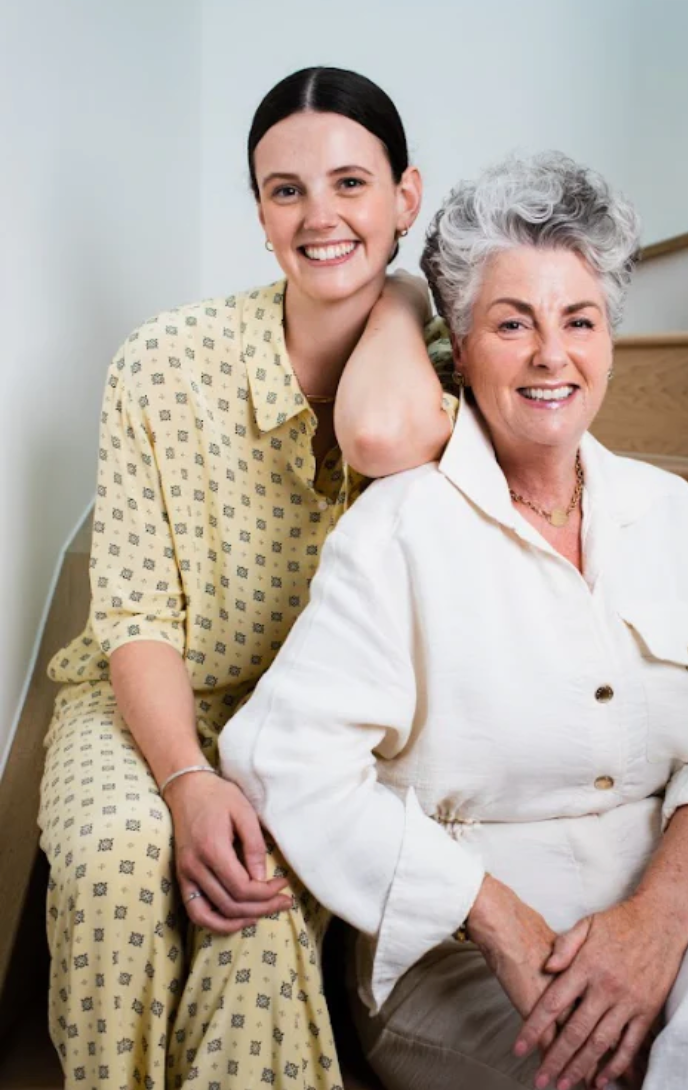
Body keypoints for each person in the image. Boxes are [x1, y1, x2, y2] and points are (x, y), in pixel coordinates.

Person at [220, 151, 688, 1090]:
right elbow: (285, 762)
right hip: (463, 951)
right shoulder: (397, 531)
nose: (553, 355)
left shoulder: (668, 511)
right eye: (514, 323)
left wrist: (659, 918)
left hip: (675, 905)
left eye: (579, 320)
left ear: (609, 338)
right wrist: (496, 918)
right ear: (460, 350)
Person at [38, 66, 456, 1090]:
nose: (318, 216)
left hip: (310, 731)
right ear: (260, 211)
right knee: (114, 862)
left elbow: (387, 431)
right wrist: (184, 779)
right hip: (136, 697)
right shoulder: (160, 362)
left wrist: (398, 297)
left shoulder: (447, 375)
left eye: (351, 184)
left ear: (406, 196)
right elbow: (134, 610)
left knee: (257, 930)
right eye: (285, 191)